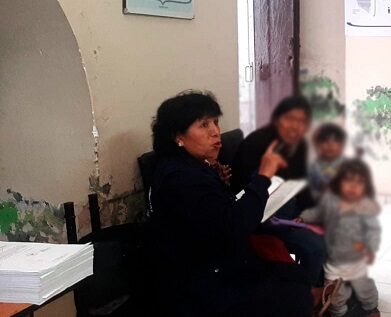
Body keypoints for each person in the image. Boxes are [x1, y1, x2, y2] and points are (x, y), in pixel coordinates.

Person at [146, 91, 312, 317]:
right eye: (204, 125)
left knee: (295, 275)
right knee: (293, 293)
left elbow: (218, 212)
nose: (215, 131)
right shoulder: (179, 177)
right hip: (202, 281)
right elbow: (234, 225)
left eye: (215, 122)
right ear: (178, 136)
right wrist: (264, 176)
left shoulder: (192, 166)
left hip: (219, 260)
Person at [231, 96, 327, 286]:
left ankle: (323, 287)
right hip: (263, 217)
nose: (295, 126)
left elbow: (306, 187)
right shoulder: (256, 144)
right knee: (315, 245)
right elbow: (243, 192)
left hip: (291, 210)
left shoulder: (302, 146)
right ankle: (305, 295)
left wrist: (310, 213)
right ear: (277, 119)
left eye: (302, 121)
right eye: (290, 118)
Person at [299, 159, 381, 317]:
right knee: (336, 296)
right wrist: (303, 218)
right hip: (334, 264)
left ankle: (372, 308)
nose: (353, 187)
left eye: (359, 183)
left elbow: (372, 231)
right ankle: (337, 313)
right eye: (348, 182)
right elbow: (316, 213)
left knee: (366, 289)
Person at [308, 123, 347, 200]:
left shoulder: (347, 165)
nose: (330, 145)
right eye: (325, 141)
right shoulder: (313, 167)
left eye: (335, 141)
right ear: (317, 145)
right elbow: (311, 191)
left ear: (342, 146)